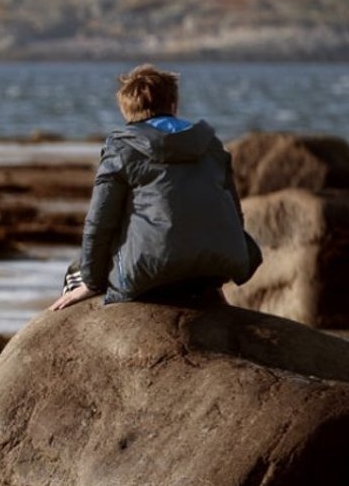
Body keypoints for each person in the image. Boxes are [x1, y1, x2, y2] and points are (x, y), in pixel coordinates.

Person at [50, 63, 260, 311]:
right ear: (173, 105)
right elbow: (234, 214)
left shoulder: (122, 148)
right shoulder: (211, 145)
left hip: (153, 276)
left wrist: (92, 283)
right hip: (216, 271)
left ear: (126, 111)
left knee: (75, 273)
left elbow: (99, 222)